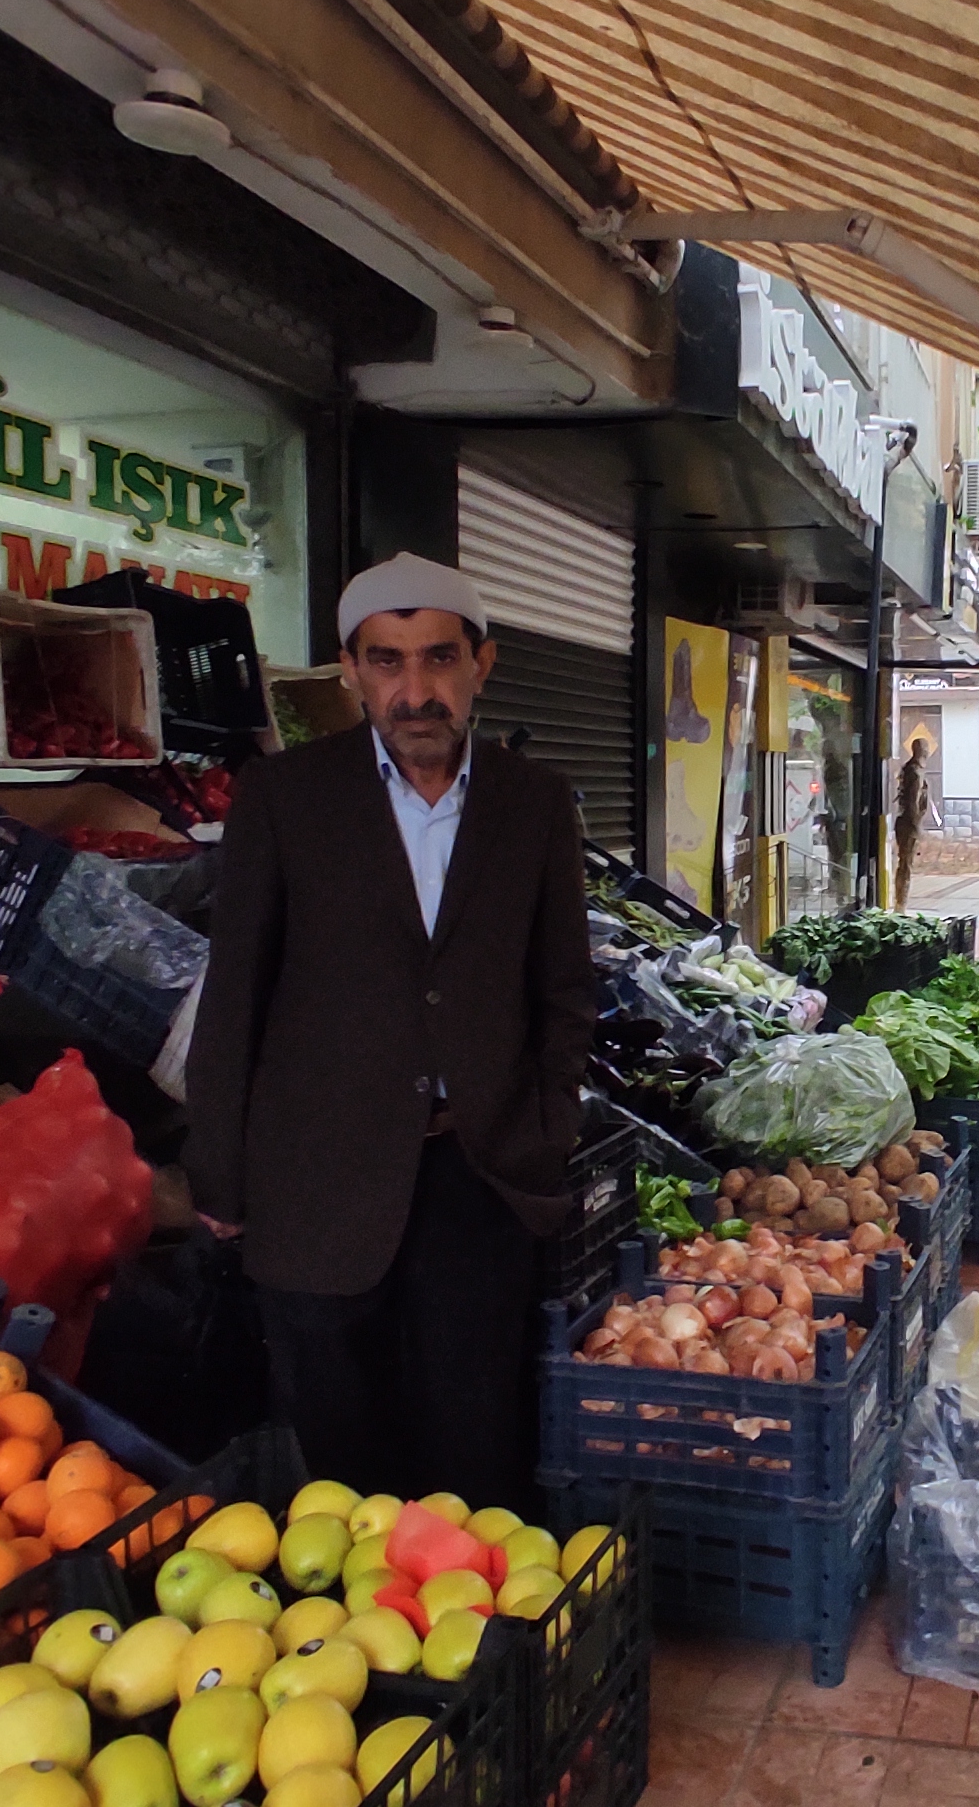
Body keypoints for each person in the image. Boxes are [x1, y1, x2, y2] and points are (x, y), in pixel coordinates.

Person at [187, 553, 594, 1510]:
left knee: (476, 1442)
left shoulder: (534, 803)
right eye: (387, 662)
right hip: (315, 1179)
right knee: (339, 1453)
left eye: (440, 659)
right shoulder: (288, 800)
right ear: (352, 672)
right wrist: (221, 1175)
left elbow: (564, 989)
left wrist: (542, 1132)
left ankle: (475, 1645)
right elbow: (234, 993)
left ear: (482, 664)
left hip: (479, 1174)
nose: (416, 691)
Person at [893, 734, 933, 908]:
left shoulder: (909, 769)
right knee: (906, 864)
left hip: (905, 822)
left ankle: (901, 900)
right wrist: (917, 828)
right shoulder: (915, 773)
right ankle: (901, 902)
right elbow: (912, 802)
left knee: (905, 863)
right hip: (909, 824)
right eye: (925, 749)